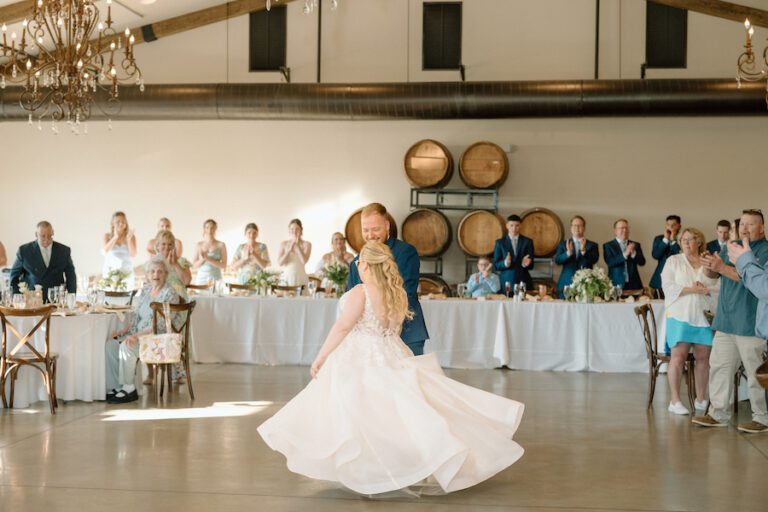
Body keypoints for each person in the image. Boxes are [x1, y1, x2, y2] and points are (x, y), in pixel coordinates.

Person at [258, 241, 525, 495]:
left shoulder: (361, 292)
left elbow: (343, 326)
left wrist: (321, 356)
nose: (358, 265)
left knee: (358, 411)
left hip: (360, 355)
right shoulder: (395, 293)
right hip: (391, 351)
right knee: (394, 412)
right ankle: (389, 465)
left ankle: (370, 468)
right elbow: (393, 330)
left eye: (359, 262)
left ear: (366, 265)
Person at [692, 210, 768, 434]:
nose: (744, 228)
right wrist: (709, 264)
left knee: (756, 373)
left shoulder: (765, 250)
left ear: (762, 228)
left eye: (750, 224)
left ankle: (762, 418)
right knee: (720, 368)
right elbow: (714, 276)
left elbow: (751, 279)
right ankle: (718, 414)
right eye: (741, 224)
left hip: (750, 322)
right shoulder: (730, 247)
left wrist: (722, 267)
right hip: (726, 320)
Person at [347, 203, 428, 355]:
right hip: (368, 342)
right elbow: (350, 302)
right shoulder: (355, 263)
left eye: (375, 229)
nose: (370, 235)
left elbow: (406, 294)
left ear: (387, 225)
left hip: (405, 335)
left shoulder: (406, 252)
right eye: (365, 230)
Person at [660, 227, 719, 415]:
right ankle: (675, 401)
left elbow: (718, 286)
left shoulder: (707, 261)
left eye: (690, 239)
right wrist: (693, 289)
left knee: (703, 358)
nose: (685, 242)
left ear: (699, 242)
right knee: (678, 357)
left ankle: (701, 399)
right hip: (680, 315)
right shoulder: (673, 261)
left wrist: (706, 290)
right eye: (683, 239)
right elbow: (667, 286)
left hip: (703, 316)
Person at [105, 258, 181, 404]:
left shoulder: (170, 294)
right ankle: (116, 386)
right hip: (138, 335)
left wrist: (136, 336)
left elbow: (160, 325)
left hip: (157, 338)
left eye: (160, 271)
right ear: (147, 275)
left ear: (166, 274)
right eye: (152, 271)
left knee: (127, 345)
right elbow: (136, 317)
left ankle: (129, 389)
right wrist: (124, 331)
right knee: (110, 346)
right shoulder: (146, 290)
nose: (155, 274)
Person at [10, 221, 77, 297]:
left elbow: (71, 276)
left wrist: (71, 297)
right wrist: (17, 297)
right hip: (32, 299)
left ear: (53, 233)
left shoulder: (64, 251)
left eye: (49, 236)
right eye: (43, 236)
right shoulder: (24, 251)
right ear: (36, 234)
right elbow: (14, 276)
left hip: (56, 298)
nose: (46, 239)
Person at [554, 215, 599, 298]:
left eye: (579, 225)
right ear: (571, 228)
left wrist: (583, 251)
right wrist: (568, 253)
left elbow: (594, 260)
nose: (577, 228)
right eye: (574, 225)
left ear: (584, 228)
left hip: (586, 285)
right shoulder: (563, 244)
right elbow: (557, 261)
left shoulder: (592, 245)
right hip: (566, 284)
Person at [493, 214, 534, 294]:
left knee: (523, 302)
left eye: (517, 225)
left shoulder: (528, 242)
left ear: (521, 226)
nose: (514, 228)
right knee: (507, 301)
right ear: (507, 226)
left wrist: (525, 264)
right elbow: (496, 265)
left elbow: (532, 265)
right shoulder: (500, 243)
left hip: (523, 280)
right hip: (506, 282)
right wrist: (506, 263)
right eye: (511, 225)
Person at [603, 218, 646, 290]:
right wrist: (625, 254)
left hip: (634, 284)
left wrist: (633, 254)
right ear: (615, 231)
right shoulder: (608, 246)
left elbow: (642, 262)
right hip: (615, 284)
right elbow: (610, 262)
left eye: (626, 228)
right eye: (622, 228)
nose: (625, 230)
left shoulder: (635, 245)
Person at [102, 211, 137, 290]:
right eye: (118, 222)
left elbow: (133, 254)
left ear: (126, 223)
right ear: (112, 224)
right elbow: (104, 251)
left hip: (126, 272)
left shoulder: (131, 236)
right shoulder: (107, 236)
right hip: (110, 272)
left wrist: (128, 239)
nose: (120, 224)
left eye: (123, 221)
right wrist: (115, 237)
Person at [650, 215, 682, 298]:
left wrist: (673, 240)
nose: (670, 227)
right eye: (668, 224)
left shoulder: (683, 239)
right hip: (659, 280)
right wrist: (666, 240)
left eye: (673, 225)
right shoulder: (659, 239)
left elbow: (681, 255)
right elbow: (655, 255)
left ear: (679, 226)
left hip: (678, 279)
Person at [192, 219, 227, 285]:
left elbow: (224, 265)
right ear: (204, 229)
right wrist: (202, 259)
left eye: (212, 228)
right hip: (201, 279)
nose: (209, 230)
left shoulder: (221, 245)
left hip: (216, 278)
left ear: (215, 229)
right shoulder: (199, 245)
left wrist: (208, 259)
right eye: (207, 227)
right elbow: (194, 266)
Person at [277, 219, 311, 287]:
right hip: (286, 277)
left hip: (300, 277)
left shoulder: (307, 244)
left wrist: (297, 247)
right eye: (292, 229)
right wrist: (288, 252)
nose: (294, 231)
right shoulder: (283, 244)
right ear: (289, 230)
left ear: (301, 230)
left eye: (297, 229)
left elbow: (304, 261)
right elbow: (280, 263)